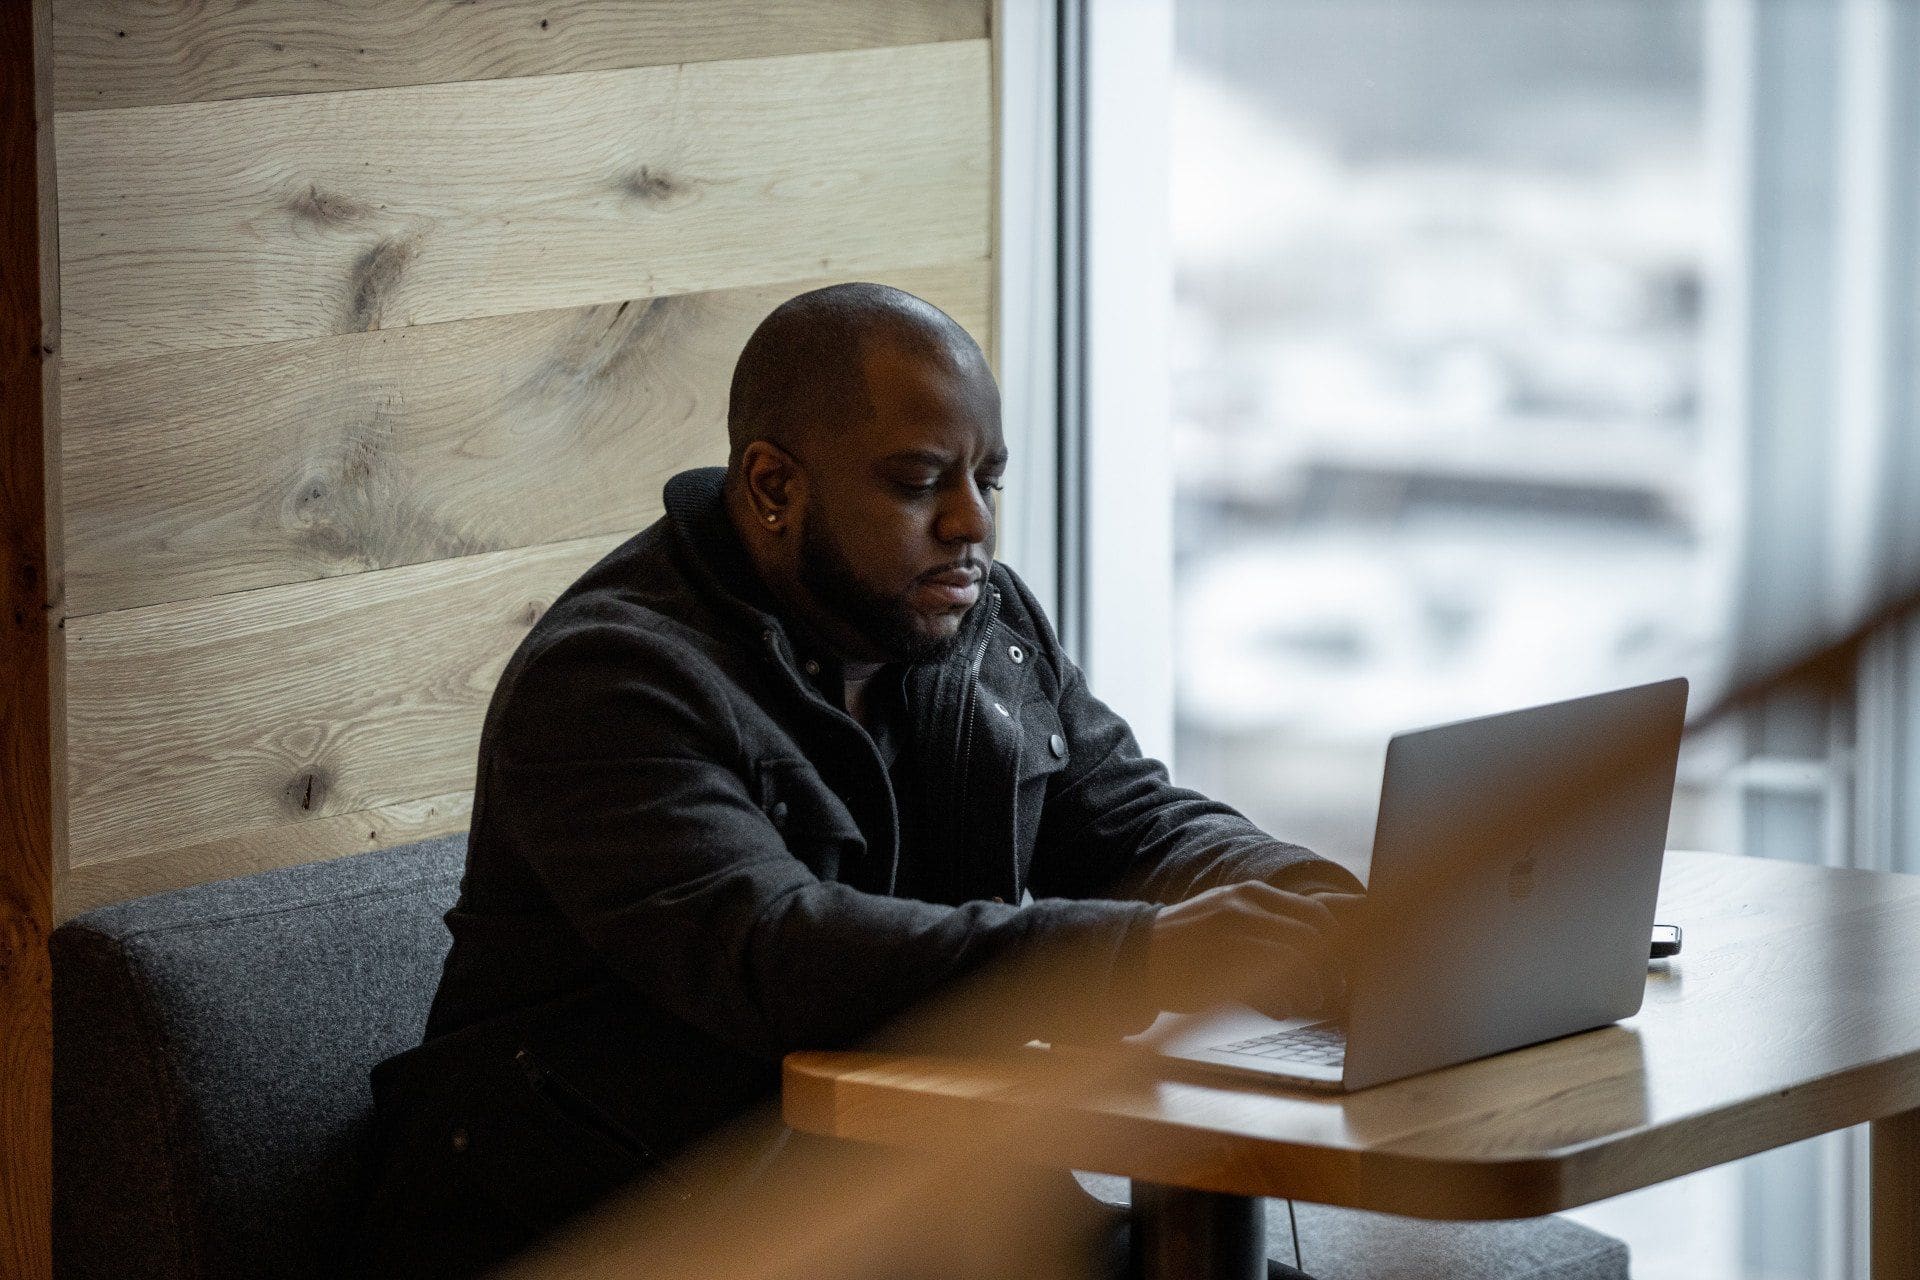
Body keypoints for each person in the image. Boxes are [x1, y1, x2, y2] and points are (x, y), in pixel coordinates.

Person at [360, 283, 1364, 1280]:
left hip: (916, 1208)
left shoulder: (975, 625)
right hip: (631, 1222)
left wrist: (1318, 902)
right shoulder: (614, 679)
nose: (973, 524)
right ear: (772, 487)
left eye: (989, 480)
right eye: (923, 482)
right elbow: (773, 946)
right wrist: (1144, 957)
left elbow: (1133, 825)